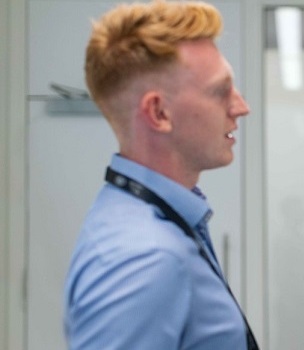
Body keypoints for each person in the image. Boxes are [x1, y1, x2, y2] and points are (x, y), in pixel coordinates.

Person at [63, 1, 259, 349]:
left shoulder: (148, 221)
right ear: (158, 112)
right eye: (221, 91)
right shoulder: (143, 259)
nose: (241, 107)